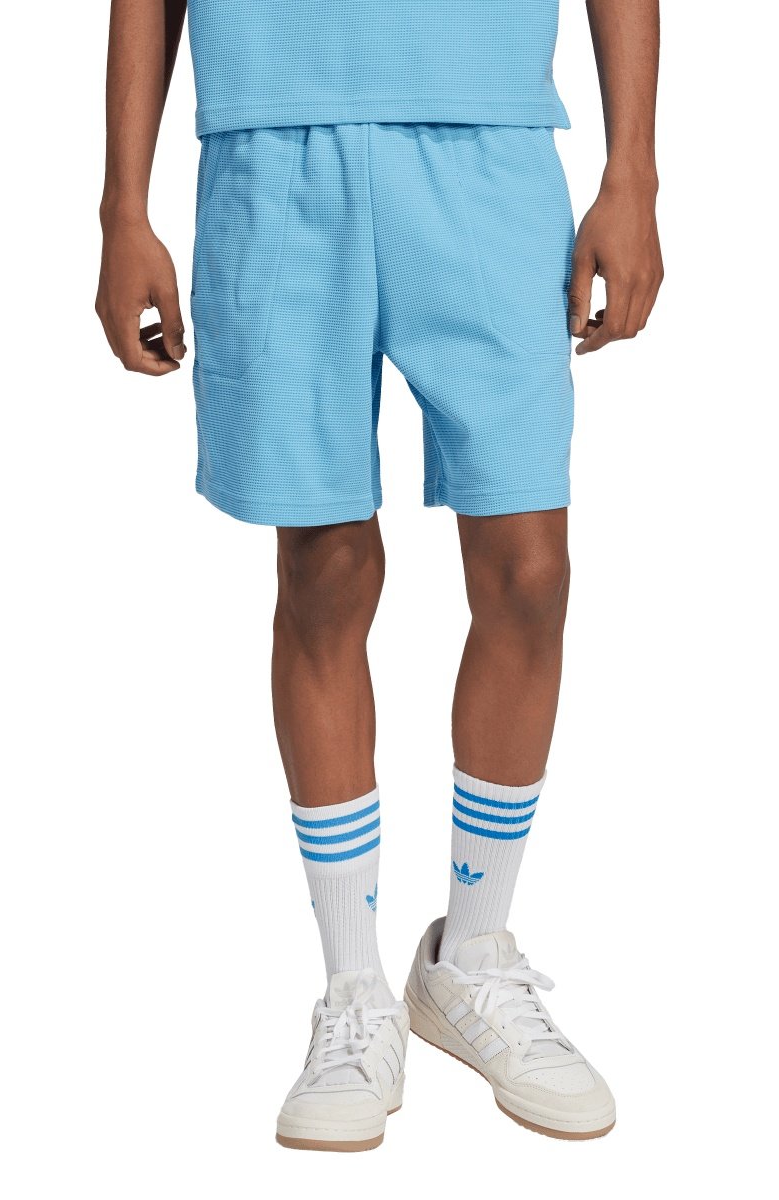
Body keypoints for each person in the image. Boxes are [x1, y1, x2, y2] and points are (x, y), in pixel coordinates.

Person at [96, 0, 663, 1151]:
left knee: (528, 570)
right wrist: (122, 209)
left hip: (487, 137)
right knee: (323, 568)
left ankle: (470, 958)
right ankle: (353, 989)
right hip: (272, 142)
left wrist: (632, 175)